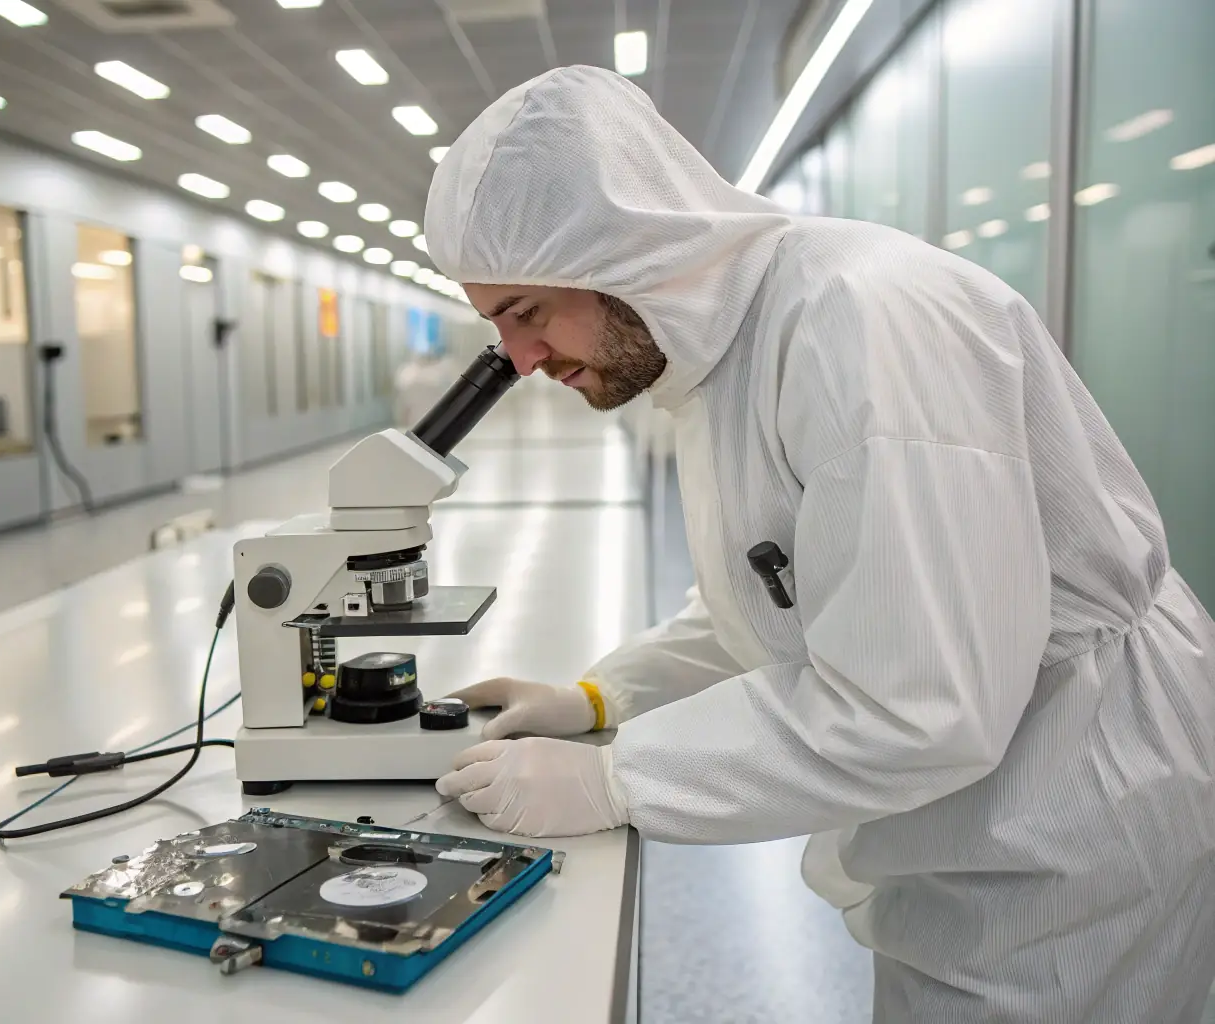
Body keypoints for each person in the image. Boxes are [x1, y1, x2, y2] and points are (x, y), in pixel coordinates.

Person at [425, 65, 1215, 1022]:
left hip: (1076, 816)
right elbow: (793, 586)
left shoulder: (861, 324)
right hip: (982, 810)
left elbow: (914, 697)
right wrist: (604, 695)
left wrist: (614, 777)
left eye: (527, 312)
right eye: (495, 323)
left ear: (620, 254)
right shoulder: (724, 346)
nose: (516, 358)